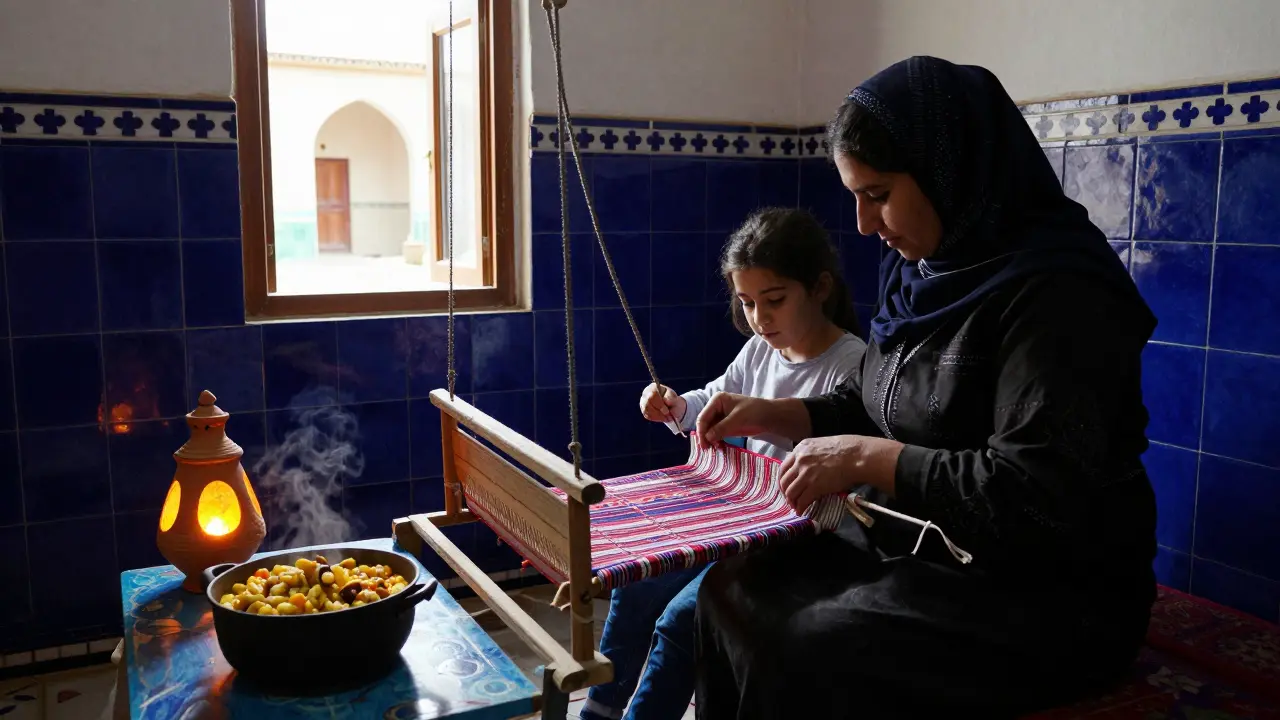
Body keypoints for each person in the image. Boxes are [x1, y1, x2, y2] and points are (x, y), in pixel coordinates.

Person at [691, 56, 1159, 718]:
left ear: (949, 170)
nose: (862, 224)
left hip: (1047, 591)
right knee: (730, 591)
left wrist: (862, 459)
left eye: (877, 195)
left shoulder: (1058, 296)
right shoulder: (927, 273)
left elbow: (1035, 494)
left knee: (803, 645)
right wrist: (771, 414)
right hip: (929, 546)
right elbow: (887, 397)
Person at [580, 207, 867, 720]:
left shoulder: (851, 364)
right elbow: (714, 400)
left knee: (681, 618)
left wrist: (765, 422)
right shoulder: (759, 352)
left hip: (794, 533)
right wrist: (677, 406)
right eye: (748, 303)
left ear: (820, 288)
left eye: (774, 301)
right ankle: (599, 711)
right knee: (636, 587)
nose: (760, 318)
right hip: (733, 520)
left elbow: (843, 462)